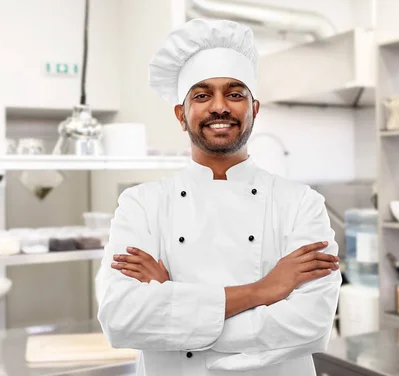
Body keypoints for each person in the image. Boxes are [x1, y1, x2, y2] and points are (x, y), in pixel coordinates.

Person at [94, 18, 342, 376]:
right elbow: (121, 319)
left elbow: (311, 325)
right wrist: (263, 290)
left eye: (236, 93)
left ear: (254, 109)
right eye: (202, 94)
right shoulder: (141, 204)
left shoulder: (302, 203)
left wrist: (173, 303)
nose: (220, 106)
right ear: (182, 115)